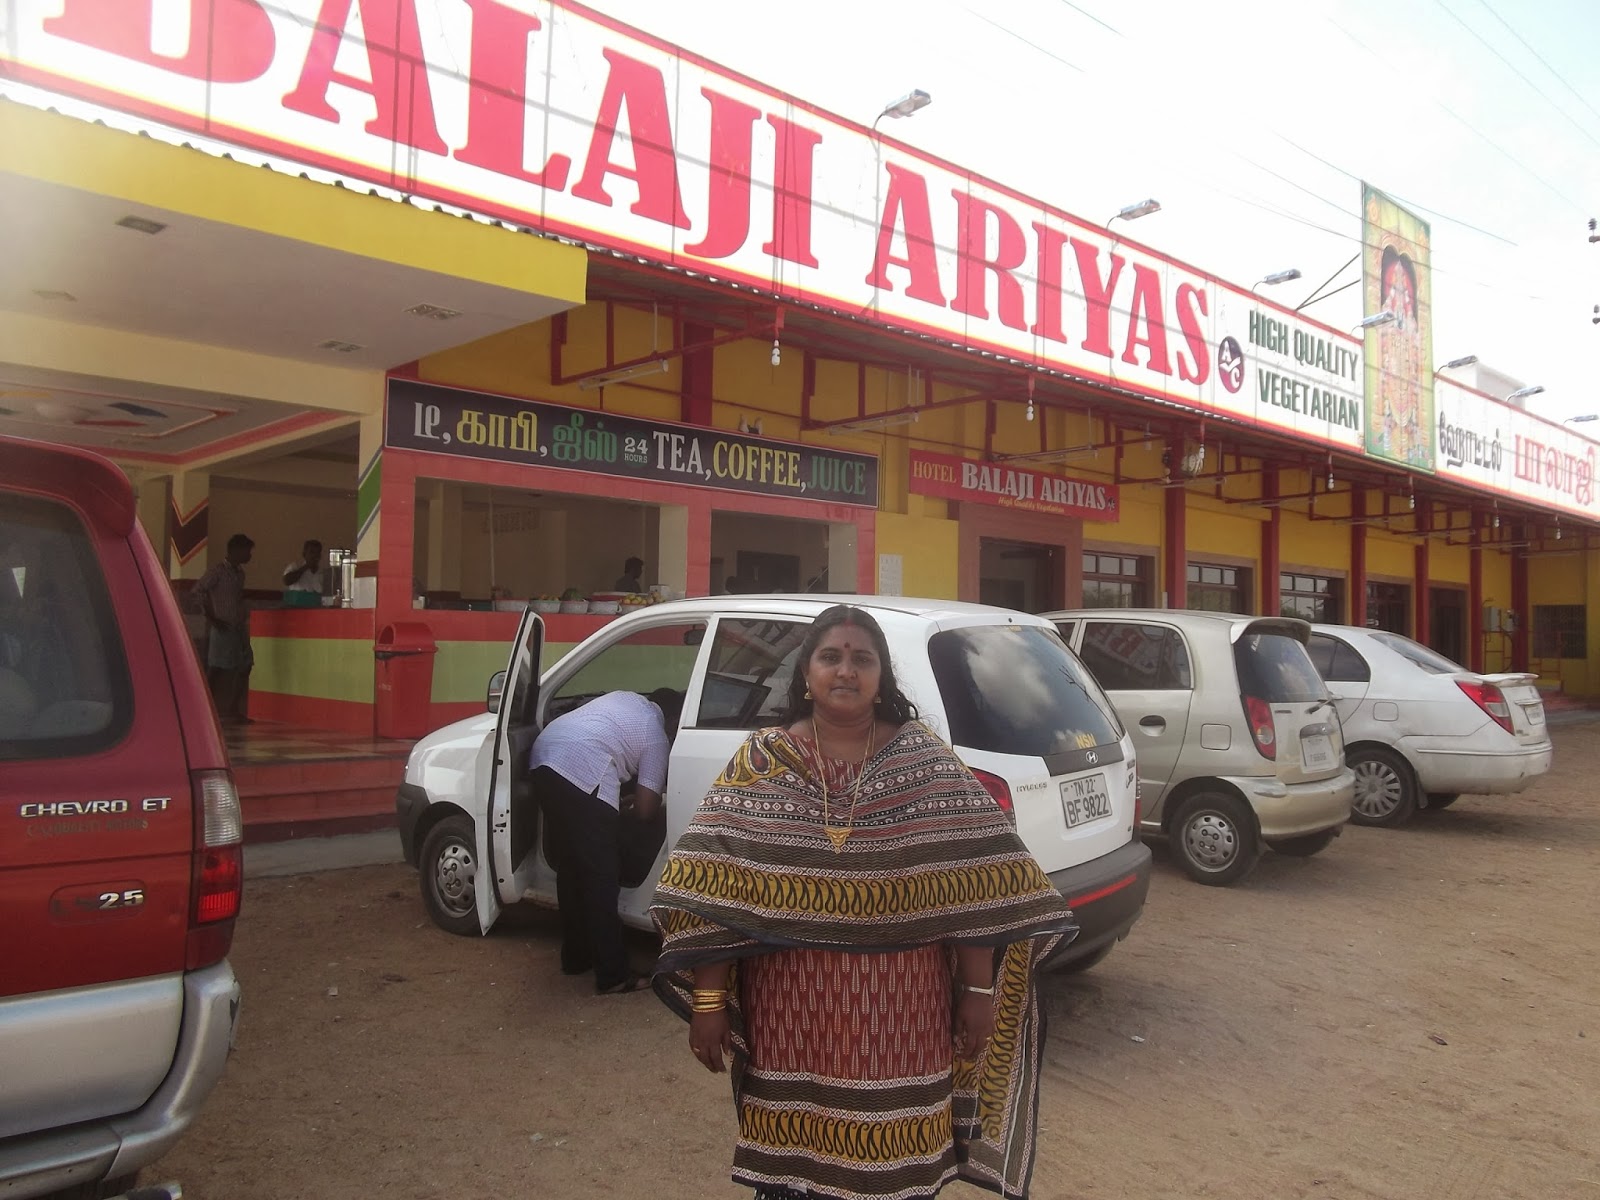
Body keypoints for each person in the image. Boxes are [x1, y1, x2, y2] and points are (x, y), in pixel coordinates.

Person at [650, 605, 1078, 1200]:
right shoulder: (761, 763)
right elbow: (713, 894)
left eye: (862, 659)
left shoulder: (924, 762)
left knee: (895, 1163)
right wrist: (709, 1000)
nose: (846, 670)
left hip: (904, 1016)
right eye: (830, 656)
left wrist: (979, 991)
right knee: (794, 1166)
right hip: (792, 1015)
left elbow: (977, 884)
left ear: (882, 677)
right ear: (806, 673)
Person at [531, 687, 684, 994]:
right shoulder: (657, 736)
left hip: (544, 758)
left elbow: (606, 739)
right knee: (601, 875)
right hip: (584, 767)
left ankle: (576, 957)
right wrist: (645, 802)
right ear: (671, 721)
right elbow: (646, 811)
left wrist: (619, 799)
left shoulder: (624, 698)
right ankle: (613, 974)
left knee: (572, 865)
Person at [194, 533, 255, 725]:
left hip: (238, 626)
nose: (249, 555)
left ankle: (233, 709)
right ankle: (204, 708)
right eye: (247, 551)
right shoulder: (217, 571)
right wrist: (211, 617)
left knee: (245, 664)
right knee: (217, 667)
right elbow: (198, 590)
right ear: (236, 550)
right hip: (222, 626)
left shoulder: (240, 574)